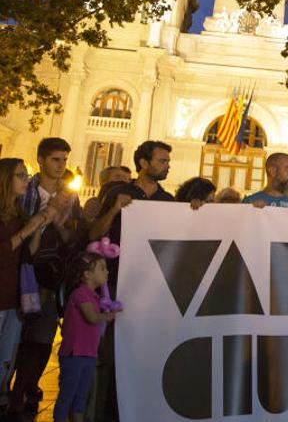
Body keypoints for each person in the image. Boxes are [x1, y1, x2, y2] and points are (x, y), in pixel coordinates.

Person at [88, 140, 174, 422]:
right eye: (162, 161)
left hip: (152, 291)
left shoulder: (169, 201)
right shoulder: (118, 192)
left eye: (168, 161)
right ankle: (103, 412)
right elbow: (94, 233)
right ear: (143, 163)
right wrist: (114, 209)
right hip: (115, 286)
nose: (167, 166)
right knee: (109, 355)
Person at [9, 138, 87, 421]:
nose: (61, 165)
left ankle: (26, 388)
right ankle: (10, 389)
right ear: (41, 160)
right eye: (56, 159)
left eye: (65, 160)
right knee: (18, 335)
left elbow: (74, 236)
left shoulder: (70, 196)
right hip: (22, 271)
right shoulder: (24, 190)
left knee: (42, 338)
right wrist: (46, 212)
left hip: (51, 275)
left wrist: (57, 220)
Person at [0, 159, 57, 406]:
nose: (26, 180)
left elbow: (27, 253)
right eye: (20, 176)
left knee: (6, 357)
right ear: (5, 180)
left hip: (14, 297)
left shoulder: (20, 214)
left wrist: (39, 225)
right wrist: (28, 229)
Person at [53, 251, 117, 422]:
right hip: (74, 354)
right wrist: (110, 316)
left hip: (88, 354)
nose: (107, 272)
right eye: (102, 268)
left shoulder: (95, 297)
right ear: (87, 274)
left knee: (81, 397)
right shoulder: (81, 294)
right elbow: (92, 317)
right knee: (67, 395)